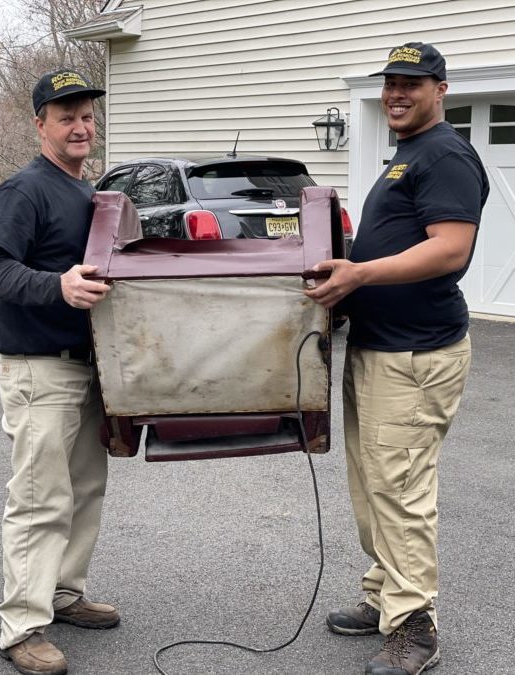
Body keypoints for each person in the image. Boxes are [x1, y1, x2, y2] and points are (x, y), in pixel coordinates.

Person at [305, 42, 489, 675]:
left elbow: (449, 252)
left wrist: (358, 275)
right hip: (379, 350)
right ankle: (386, 596)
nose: (396, 94)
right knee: (373, 487)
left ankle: (415, 629)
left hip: (414, 357)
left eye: (411, 83)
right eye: (388, 83)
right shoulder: (407, 156)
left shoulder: (444, 155)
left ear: (441, 88)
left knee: (401, 490)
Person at [0, 68, 118, 675]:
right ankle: (22, 625)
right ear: (41, 125)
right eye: (66, 118)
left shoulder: (89, 193)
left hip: (90, 368)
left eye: (87, 116)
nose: (81, 126)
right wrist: (55, 285)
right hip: (39, 370)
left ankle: (63, 592)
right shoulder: (23, 190)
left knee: (84, 489)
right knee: (38, 499)